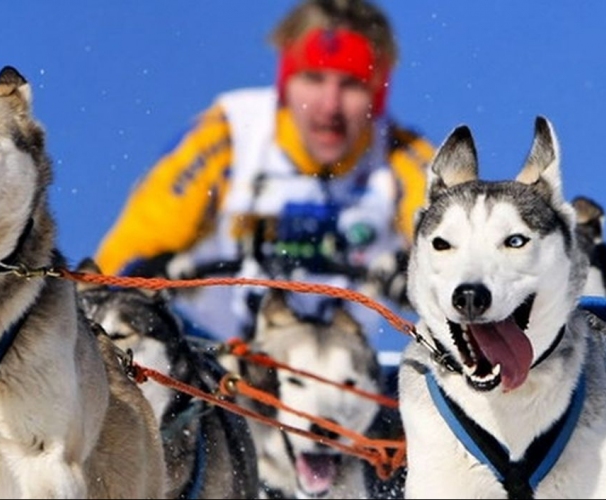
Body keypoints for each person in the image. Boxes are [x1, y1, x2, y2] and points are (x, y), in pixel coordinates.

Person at [93, 0, 434, 347]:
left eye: (351, 84)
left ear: (378, 93)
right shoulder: (230, 134)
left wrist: (417, 279)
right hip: (215, 365)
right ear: (286, 81)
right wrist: (143, 274)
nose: (329, 105)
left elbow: (468, 254)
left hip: (342, 372)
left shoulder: (402, 158)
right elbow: (118, 263)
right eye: (313, 78)